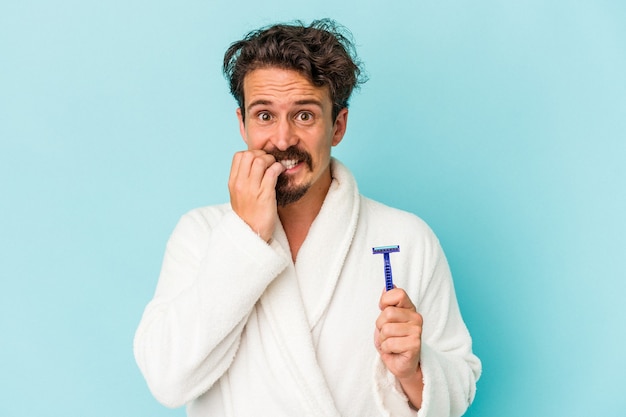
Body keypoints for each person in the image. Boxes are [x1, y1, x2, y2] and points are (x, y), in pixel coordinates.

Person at [134, 19, 481, 417]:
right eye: (264, 116)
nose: (282, 141)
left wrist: (414, 371)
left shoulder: (407, 238)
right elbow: (166, 379)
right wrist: (244, 238)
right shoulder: (199, 236)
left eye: (304, 116)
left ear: (337, 126)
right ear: (242, 124)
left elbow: (458, 388)